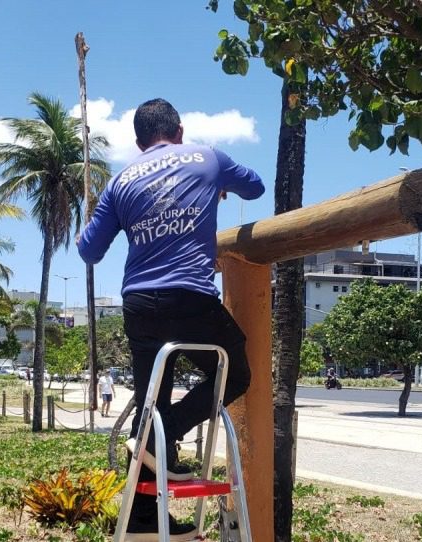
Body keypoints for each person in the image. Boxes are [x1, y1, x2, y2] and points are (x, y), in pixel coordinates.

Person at [78, 98, 264, 541]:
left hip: (138, 304)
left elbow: (88, 250)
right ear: (178, 130)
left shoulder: (121, 180)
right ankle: (162, 440)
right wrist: (217, 186)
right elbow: (255, 187)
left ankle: (143, 518)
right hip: (189, 299)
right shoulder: (208, 157)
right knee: (235, 375)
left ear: (139, 142)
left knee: (151, 404)